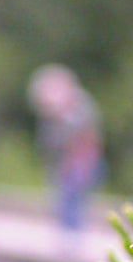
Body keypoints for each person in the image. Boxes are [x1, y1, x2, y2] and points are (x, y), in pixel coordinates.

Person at [28, 64, 104, 234]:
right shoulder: (52, 116)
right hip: (63, 163)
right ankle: (68, 234)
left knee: (74, 199)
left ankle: (73, 235)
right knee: (64, 200)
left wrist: (81, 162)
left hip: (80, 161)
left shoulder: (80, 109)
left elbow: (87, 138)